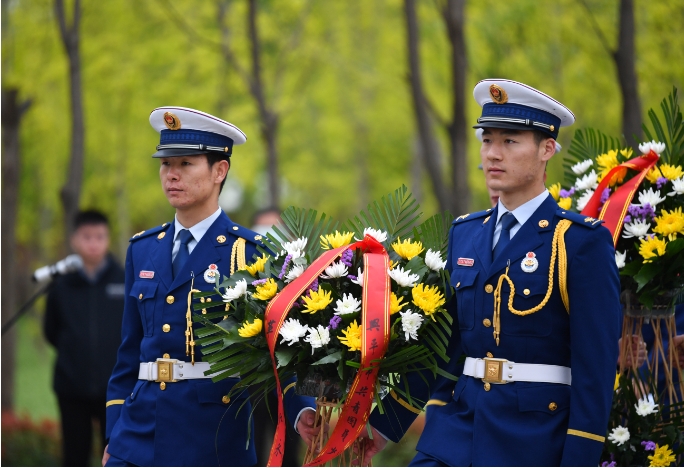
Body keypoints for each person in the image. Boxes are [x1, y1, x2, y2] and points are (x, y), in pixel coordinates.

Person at [363, 79, 621, 466]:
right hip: (458, 430)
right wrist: (381, 427)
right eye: (487, 141)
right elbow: (444, 347)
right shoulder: (465, 233)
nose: (493, 154)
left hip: (535, 439)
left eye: (510, 141)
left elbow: (595, 371)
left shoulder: (579, 241)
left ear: (547, 149)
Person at [103, 107, 317, 467]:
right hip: (138, 434)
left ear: (220, 171)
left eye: (186, 164)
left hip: (212, 436)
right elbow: (128, 354)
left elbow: (281, 352)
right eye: (165, 164)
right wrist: (114, 431)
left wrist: (303, 410)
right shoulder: (143, 249)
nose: (172, 174)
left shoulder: (251, 254)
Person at [44, 210, 125, 467]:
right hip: (71, 386)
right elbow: (51, 331)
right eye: (87, 237)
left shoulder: (125, 279)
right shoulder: (60, 284)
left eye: (99, 237)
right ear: (74, 240)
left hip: (115, 388)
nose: (93, 243)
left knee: (116, 455)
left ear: (108, 239)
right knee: (74, 455)